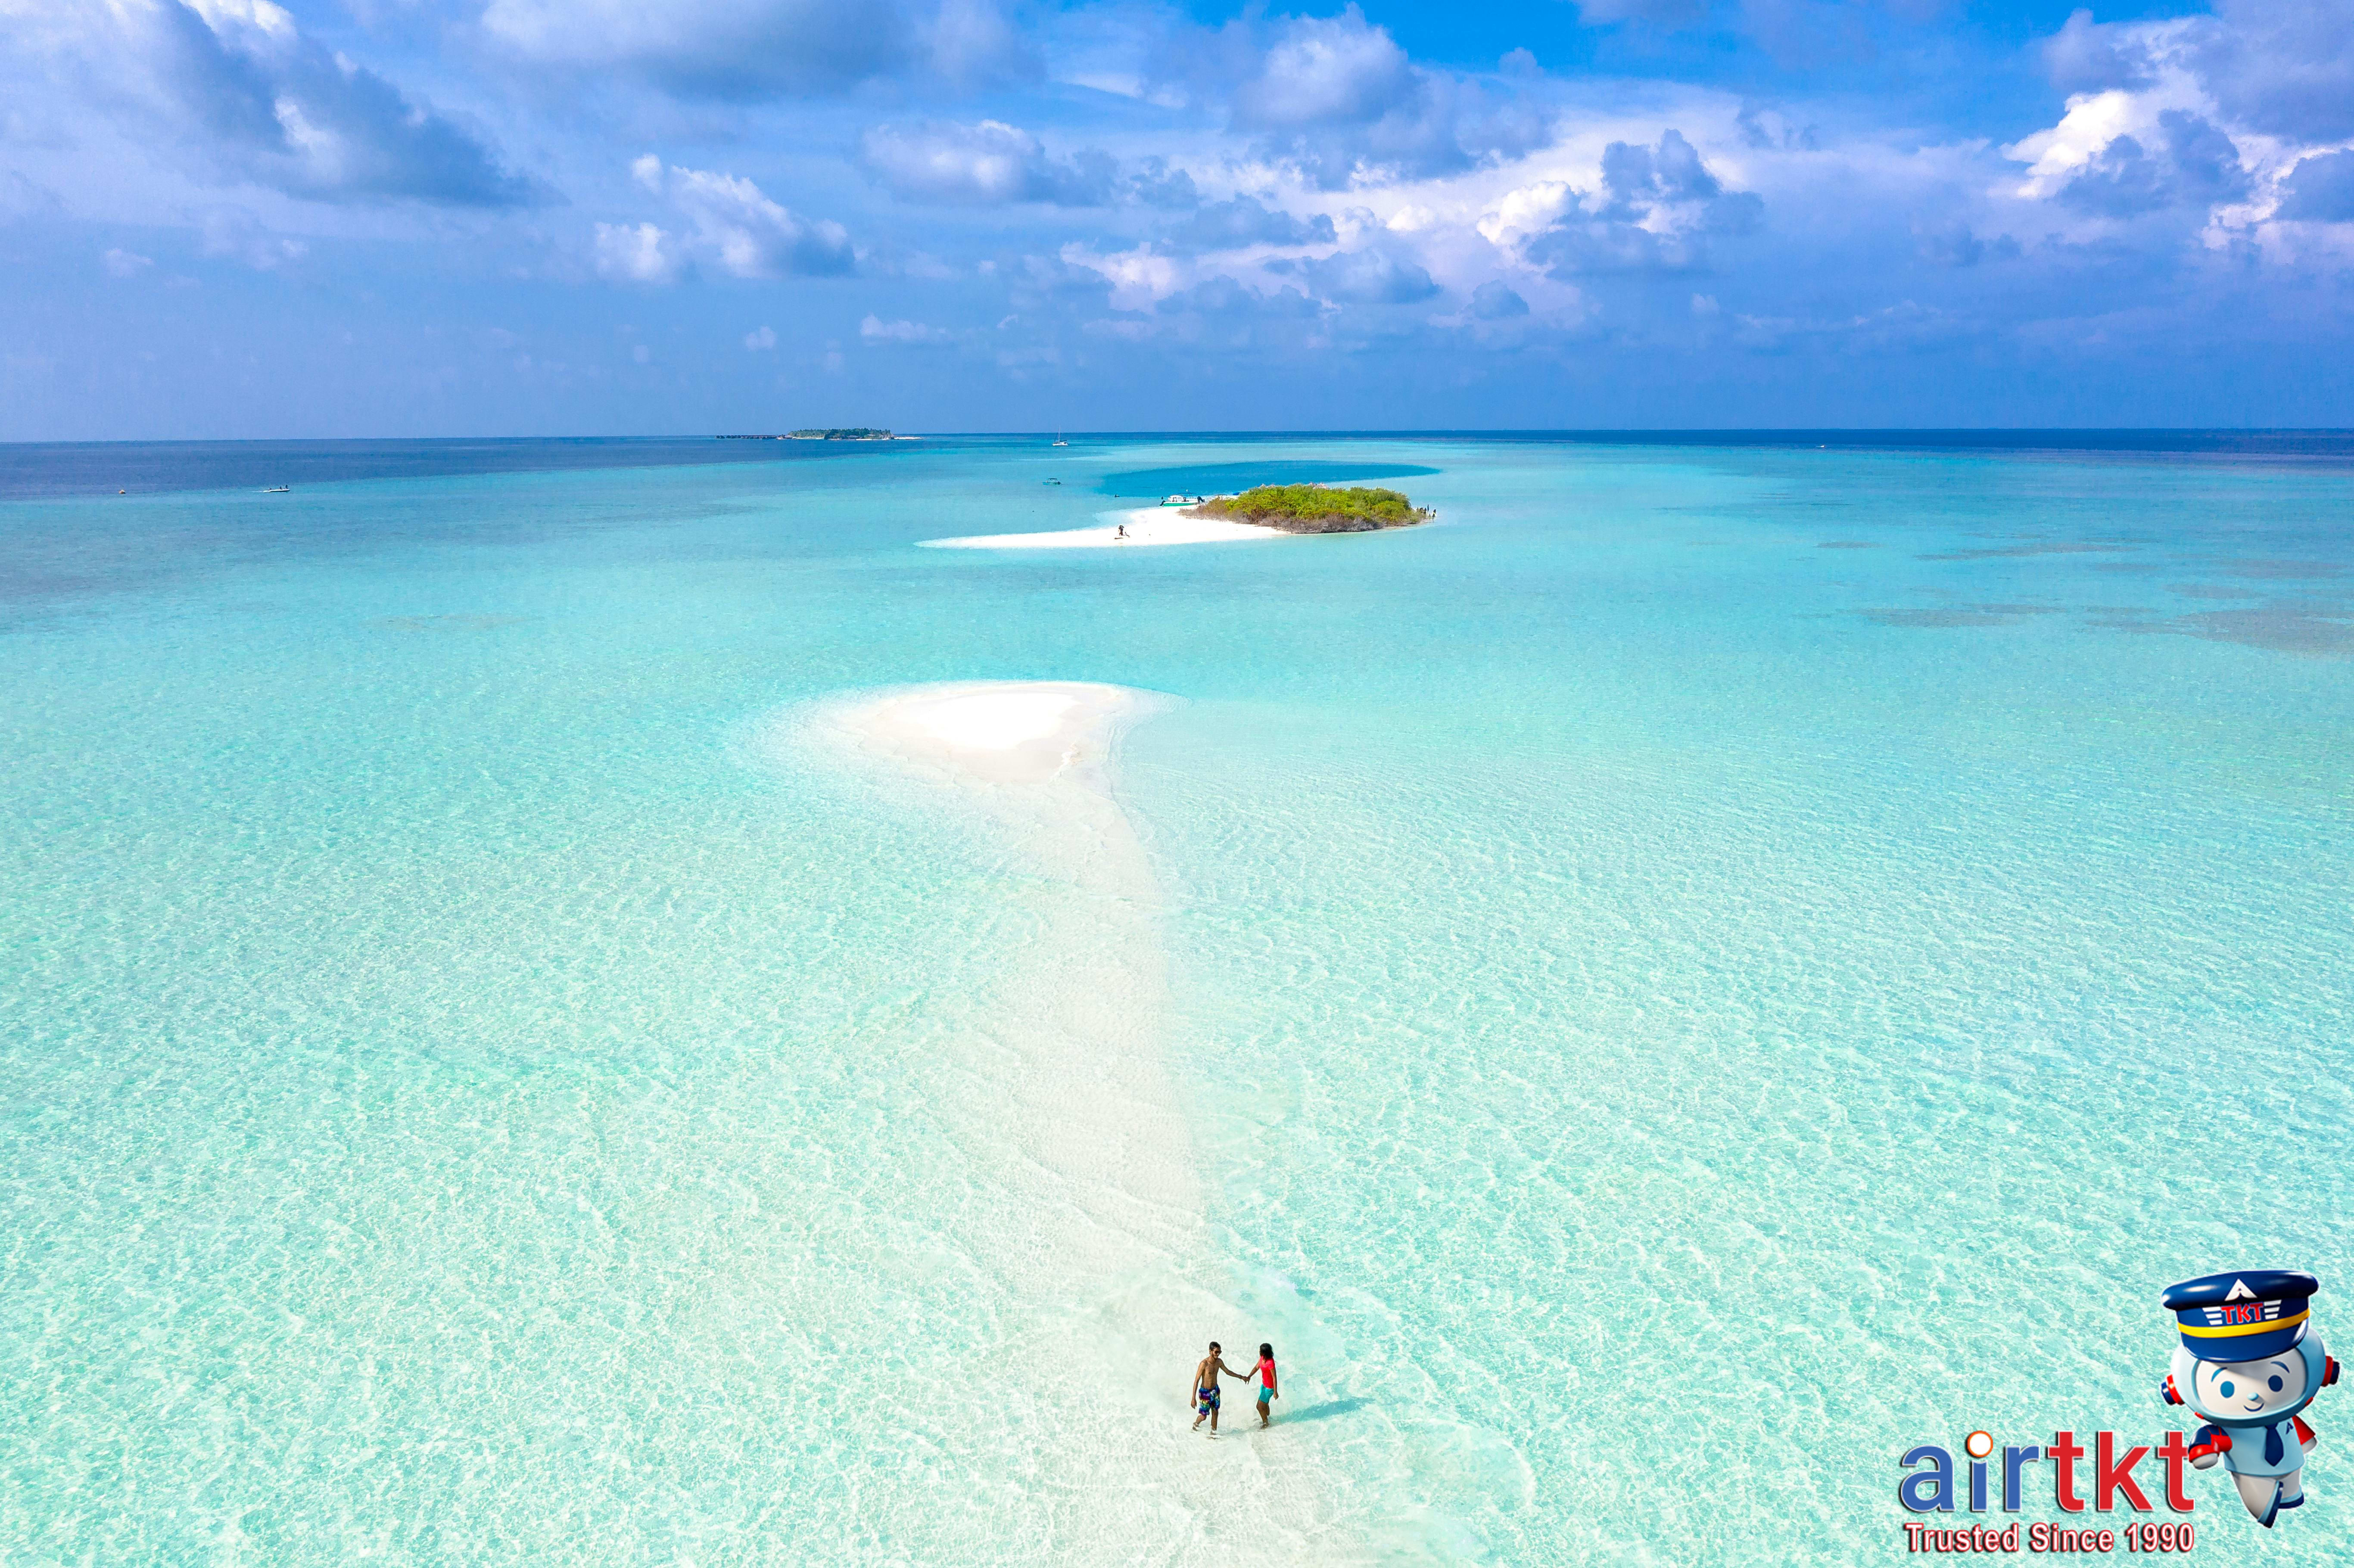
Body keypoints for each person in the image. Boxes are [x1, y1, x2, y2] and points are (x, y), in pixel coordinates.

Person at [1190, 1341, 1246, 1434]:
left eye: (1220, 1352)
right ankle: (1196, 1424)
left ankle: (1213, 1433)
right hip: (1205, 1393)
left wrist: (1241, 1377)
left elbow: (1228, 1372)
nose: (1218, 1354)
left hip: (1215, 1391)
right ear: (1210, 1351)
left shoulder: (1219, 1362)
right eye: (1216, 1352)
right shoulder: (1204, 1364)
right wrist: (1193, 1398)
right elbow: (1197, 1381)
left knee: (1215, 1412)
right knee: (1204, 1417)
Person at [1248, 1342, 1279, 1426]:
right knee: (1265, 1405)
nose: (1259, 1352)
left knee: (1259, 1406)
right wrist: (1249, 1376)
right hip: (1264, 1386)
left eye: (1260, 1351)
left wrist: (1275, 1392)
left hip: (1270, 1388)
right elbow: (1256, 1368)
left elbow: (1274, 1378)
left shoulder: (1270, 1362)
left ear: (1264, 1353)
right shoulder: (1262, 1358)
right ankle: (1268, 1417)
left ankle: (1266, 1423)